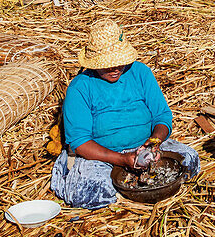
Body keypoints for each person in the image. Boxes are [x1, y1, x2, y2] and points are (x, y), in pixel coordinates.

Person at [50, 18, 200, 209]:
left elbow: (161, 116)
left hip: (144, 147)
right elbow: (80, 143)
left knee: (190, 159)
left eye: (119, 62)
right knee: (92, 192)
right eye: (108, 64)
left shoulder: (140, 73)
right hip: (101, 157)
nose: (115, 69)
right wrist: (122, 159)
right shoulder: (81, 87)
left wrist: (154, 142)